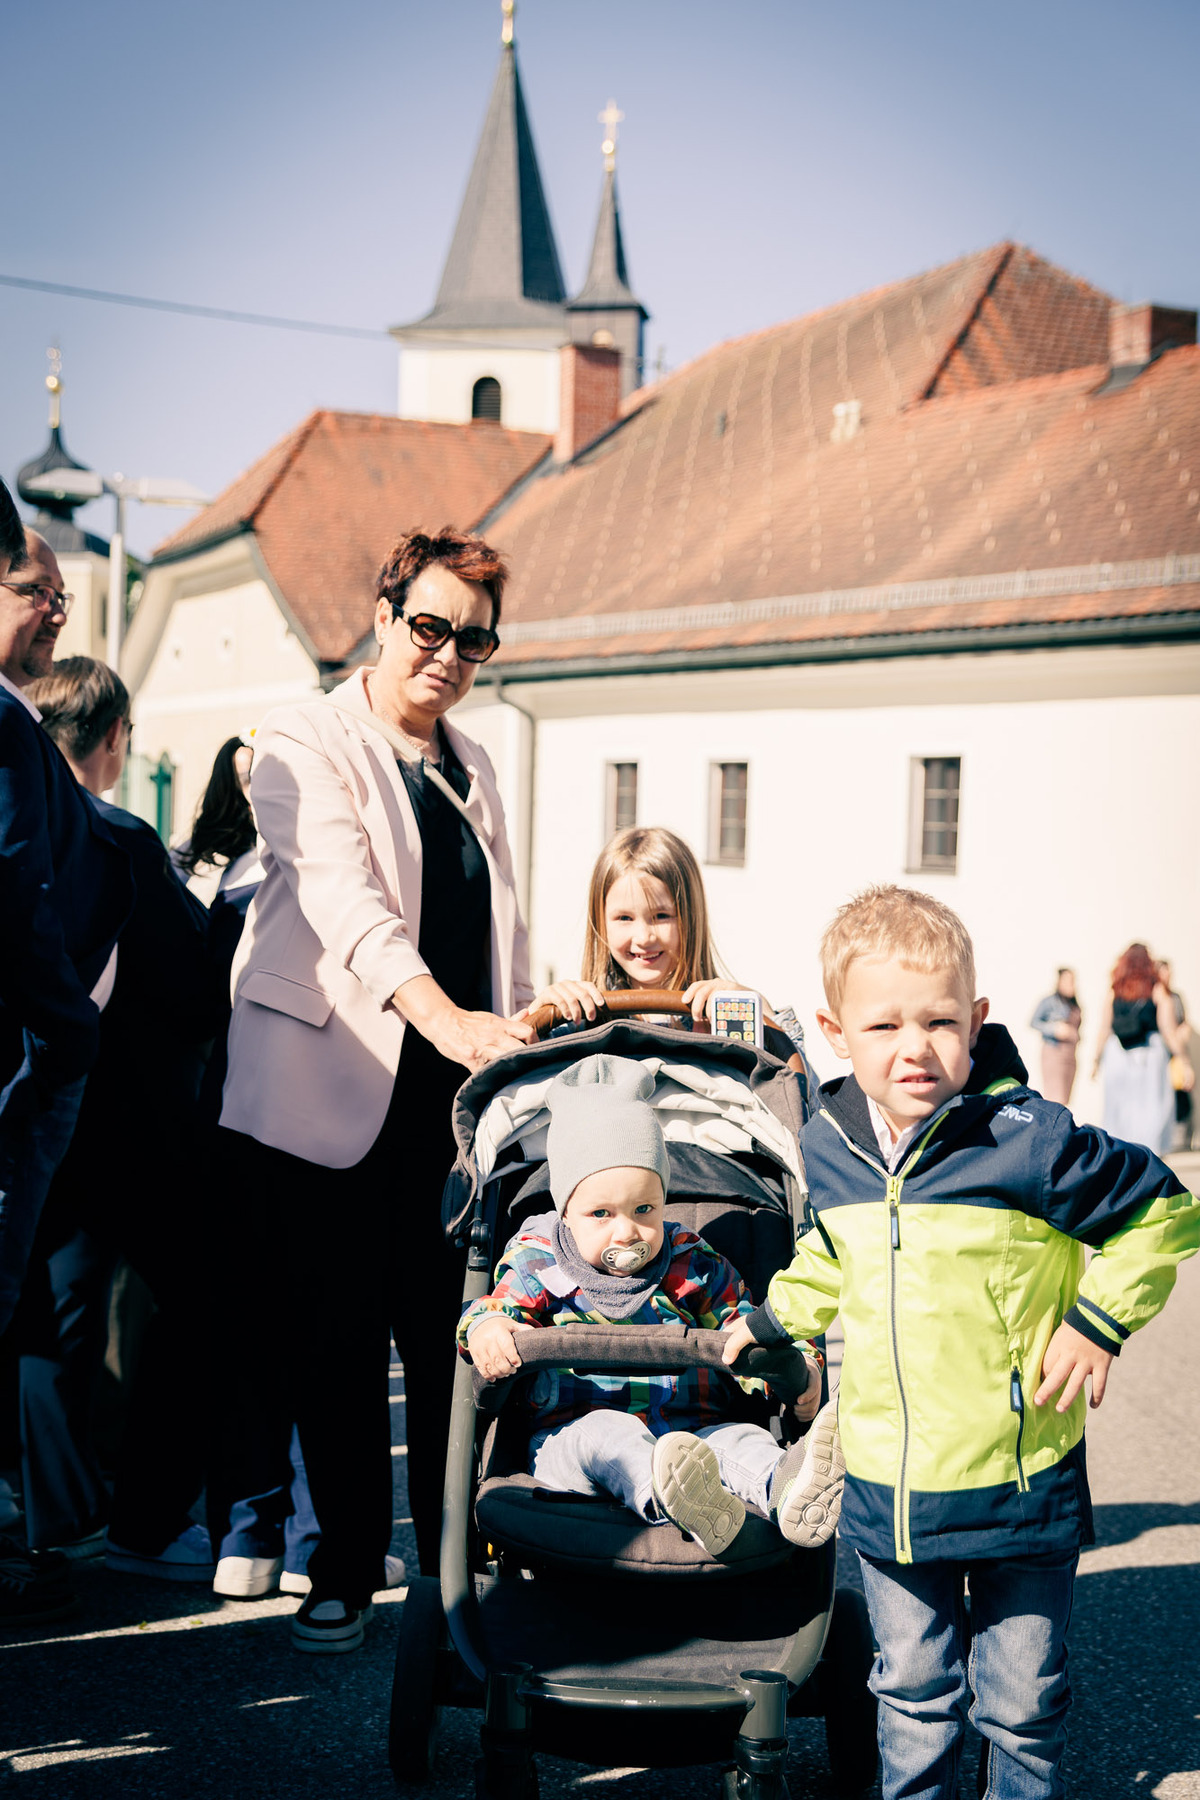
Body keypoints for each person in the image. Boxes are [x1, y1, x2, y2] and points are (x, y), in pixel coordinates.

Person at [722, 885, 1199, 1800]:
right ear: (835, 1033)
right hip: (891, 1491)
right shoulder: (828, 1147)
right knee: (912, 1694)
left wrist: (1097, 1321)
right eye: (884, 1026)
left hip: (1020, 1485)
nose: (914, 1047)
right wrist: (772, 1320)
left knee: (1021, 1703)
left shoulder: (1030, 1143)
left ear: (976, 1020)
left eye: (939, 1021)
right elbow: (831, 1253)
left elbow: (1164, 1213)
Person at [214, 526, 535, 1653]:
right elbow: (347, 906)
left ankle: (453, 1576)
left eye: (475, 641)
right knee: (335, 1342)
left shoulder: (474, 759)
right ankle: (343, 1571)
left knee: (450, 1342)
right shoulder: (302, 737)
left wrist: (524, 1035)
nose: (448, 656)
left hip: (447, 1110)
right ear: (386, 614)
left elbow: (502, 932)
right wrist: (450, 1022)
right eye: (431, 627)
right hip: (326, 1087)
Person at [460, 1054, 842, 1555]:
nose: (627, 1231)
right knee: (608, 1435)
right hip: (572, 1437)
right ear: (565, 1211)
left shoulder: (691, 1262)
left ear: (664, 1199)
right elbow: (491, 1310)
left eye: (645, 1209)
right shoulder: (538, 1261)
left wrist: (798, 1370)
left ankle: (786, 1489)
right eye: (601, 1213)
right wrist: (489, 1330)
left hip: (694, 1431)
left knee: (739, 1442)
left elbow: (747, 1326)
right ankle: (675, 1497)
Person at [16, 656, 218, 1578]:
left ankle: (57, 1519)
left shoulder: (29, 825)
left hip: (42, 1112)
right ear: (114, 739)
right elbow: (194, 984)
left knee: (54, 1317)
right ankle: (146, 1519)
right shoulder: (119, 837)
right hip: (135, 1121)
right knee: (195, 1298)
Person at [0, 514, 132, 1625]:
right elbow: (22, 898)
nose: (55, 609)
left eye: (60, 594)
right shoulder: (7, 728)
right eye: (33, 590)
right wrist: (68, 1036)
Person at [525, 825, 815, 1101]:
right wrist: (541, 1018)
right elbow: (522, 1086)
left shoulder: (727, 1020)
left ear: (691, 917)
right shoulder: (582, 1023)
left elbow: (801, 1100)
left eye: (662, 916)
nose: (644, 937)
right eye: (624, 918)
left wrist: (765, 1017)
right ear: (600, 923)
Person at [1090, 943, 1185, 1154]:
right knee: (1153, 1106)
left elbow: (1104, 1028)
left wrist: (1096, 1059)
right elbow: (1168, 1028)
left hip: (1117, 1053)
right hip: (1150, 1054)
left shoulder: (1115, 990)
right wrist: (1184, 1060)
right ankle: (1150, 1154)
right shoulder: (1156, 989)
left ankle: (1121, 1154)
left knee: (1119, 1108)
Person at [1030, 968, 1081, 1106]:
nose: (1071, 984)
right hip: (1054, 1052)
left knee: (1065, 1099)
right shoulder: (1049, 1002)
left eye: (1073, 981)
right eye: (1067, 981)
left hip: (1070, 1054)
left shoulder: (1073, 1004)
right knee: (1056, 1098)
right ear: (1059, 982)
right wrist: (1054, 1029)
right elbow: (1033, 1022)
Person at [1157, 959, 1194, 1151]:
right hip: (1162, 1056)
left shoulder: (1176, 997)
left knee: (1181, 1095)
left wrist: (1183, 1032)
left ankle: (1181, 1139)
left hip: (1176, 1056)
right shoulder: (1156, 996)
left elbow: (1183, 1022)